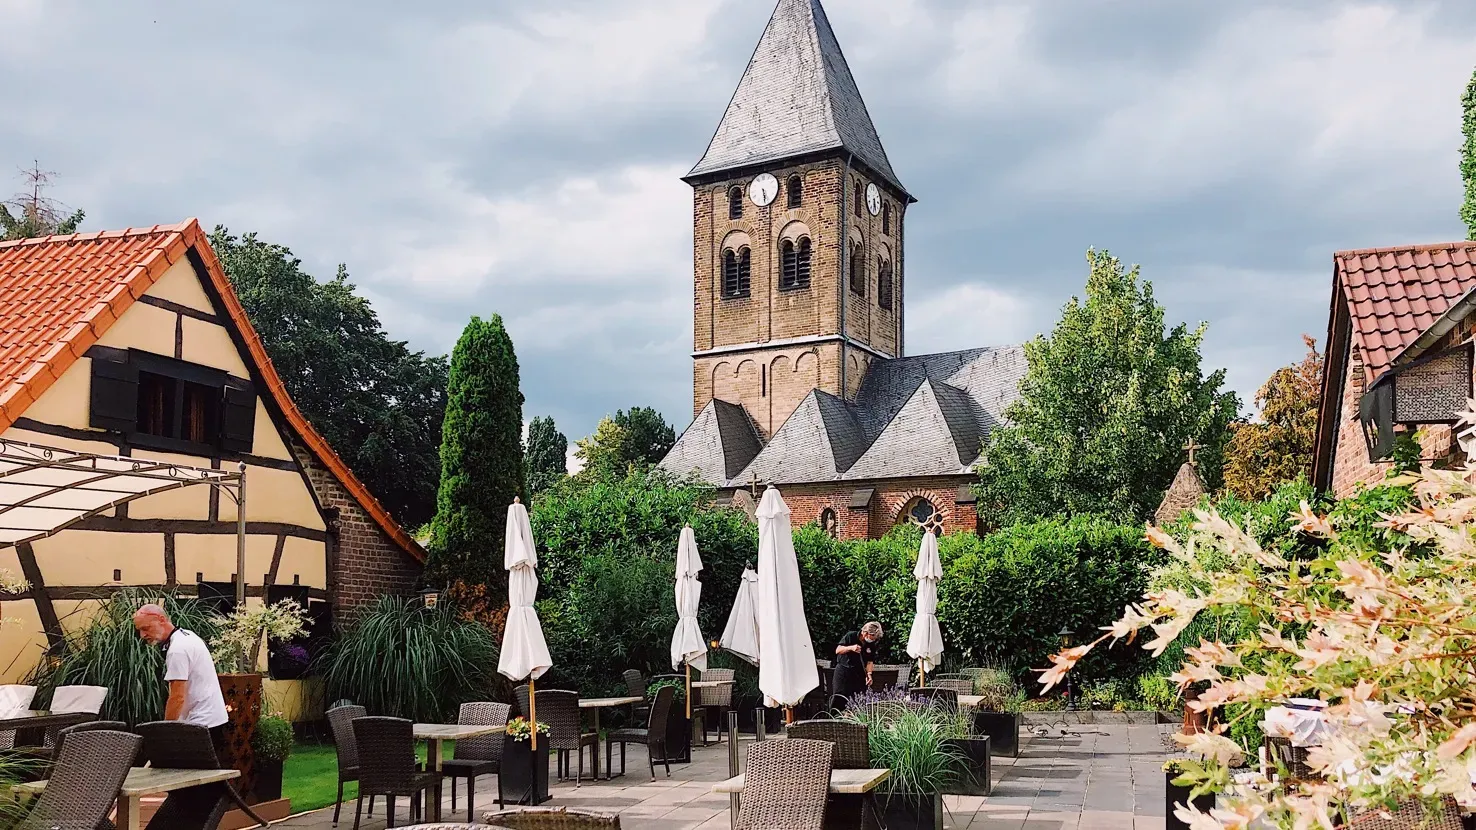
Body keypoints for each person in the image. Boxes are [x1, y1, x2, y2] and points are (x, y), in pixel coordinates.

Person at [134, 604, 230, 753]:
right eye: (139, 630)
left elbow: (177, 697)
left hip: (200, 724)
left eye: (146, 628)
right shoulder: (188, 635)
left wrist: (166, 732)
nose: (142, 635)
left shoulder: (177, 650)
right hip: (214, 719)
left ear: (161, 619)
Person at [832, 621, 884, 704]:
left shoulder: (871, 644)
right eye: (873, 637)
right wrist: (851, 648)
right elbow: (838, 650)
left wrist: (869, 674)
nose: (874, 639)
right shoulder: (851, 636)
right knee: (839, 697)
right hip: (844, 671)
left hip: (859, 673)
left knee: (858, 698)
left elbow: (870, 661)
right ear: (865, 633)